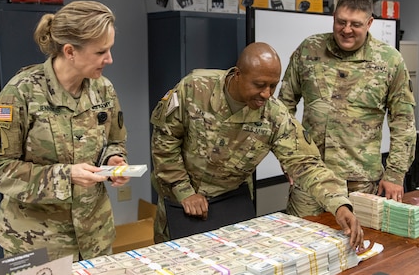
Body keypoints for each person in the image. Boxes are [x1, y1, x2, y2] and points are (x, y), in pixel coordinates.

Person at [150, 42, 364, 250]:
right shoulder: (195, 88)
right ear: (237, 74)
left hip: (229, 201)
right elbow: (164, 141)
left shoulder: (274, 115)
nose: (267, 94)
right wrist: (184, 191)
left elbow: (306, 163)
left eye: (273, 85)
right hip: (179, 202)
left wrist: (339, 205)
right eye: (259, 85)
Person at [0, 1, 130, 261]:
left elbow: (114, 141)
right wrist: (66, 176)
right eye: (101, 52)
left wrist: (113, 161)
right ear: (70, 51)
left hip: (94, 237)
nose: (109, 59)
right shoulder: (19, 92)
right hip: (36, 244)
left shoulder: (104, 90)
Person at [278, 0, 416, 218]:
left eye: (355, 24)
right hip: (310, 176)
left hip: (360, 182)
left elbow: (403, 122)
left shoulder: (389, 61)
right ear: (333, 17)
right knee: (302, 240)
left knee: (359, 245)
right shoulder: (309, 50)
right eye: (341, 22)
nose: (346, 29)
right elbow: (283, 107)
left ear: (370, 23)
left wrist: (395, 174)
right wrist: (289, 158)